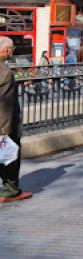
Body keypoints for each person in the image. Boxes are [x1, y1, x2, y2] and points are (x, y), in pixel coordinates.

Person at [0, 36, 32, 203]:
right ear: (5, 50)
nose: (11, 53)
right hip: (4, 124)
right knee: (11, 155)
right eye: (11, 50)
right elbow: (5, 105)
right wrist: (5, 132)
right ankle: (11, 190)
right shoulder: (4, 72)